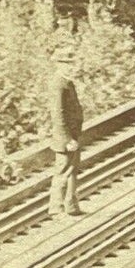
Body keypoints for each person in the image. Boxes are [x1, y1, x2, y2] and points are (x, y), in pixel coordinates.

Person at [48, 46, 84, 217]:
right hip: (65, 138)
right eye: (67, 63)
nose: (71, 67)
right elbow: (58, 114)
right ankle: (56, 208)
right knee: (63, 172)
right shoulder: (58, 84)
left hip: (72, 135)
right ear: (58, 65)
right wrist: (67, 139)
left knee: (71, 171)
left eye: (72, 63)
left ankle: (71, 205)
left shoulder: (66, 82)